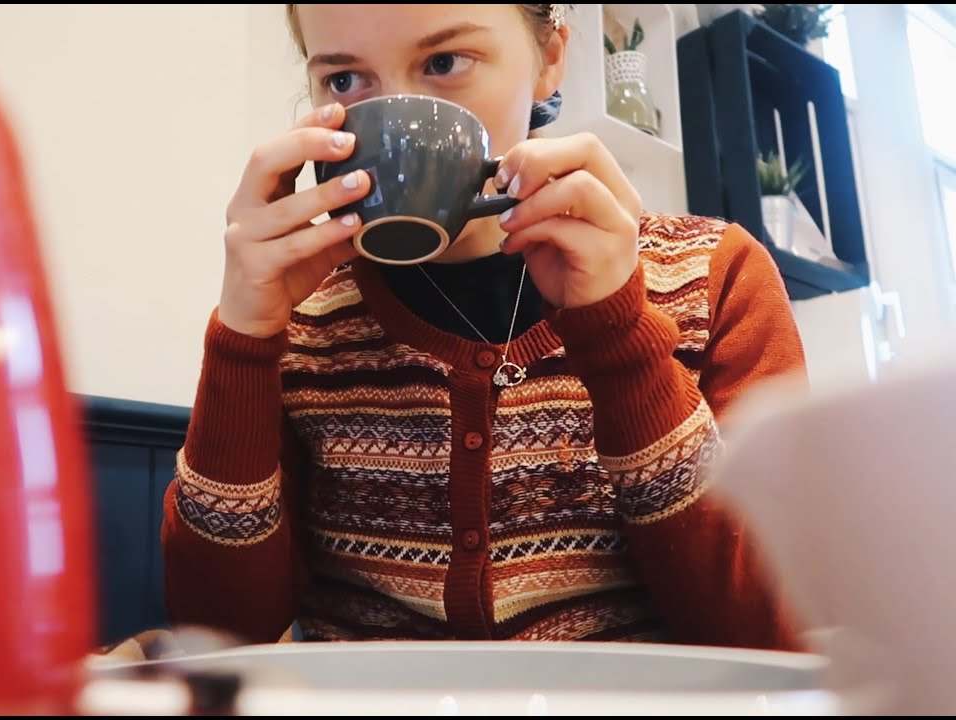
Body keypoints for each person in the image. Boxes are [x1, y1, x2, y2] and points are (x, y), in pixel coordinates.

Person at [160, 3, 807, 648]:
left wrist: (619, 332)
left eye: (444, 62)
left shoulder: (714, 277)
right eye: (345, 80)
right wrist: (243, 341)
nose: (399, 117)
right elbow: (221, 635)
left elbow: (772, 634)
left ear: (550, 56)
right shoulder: (305, 320)